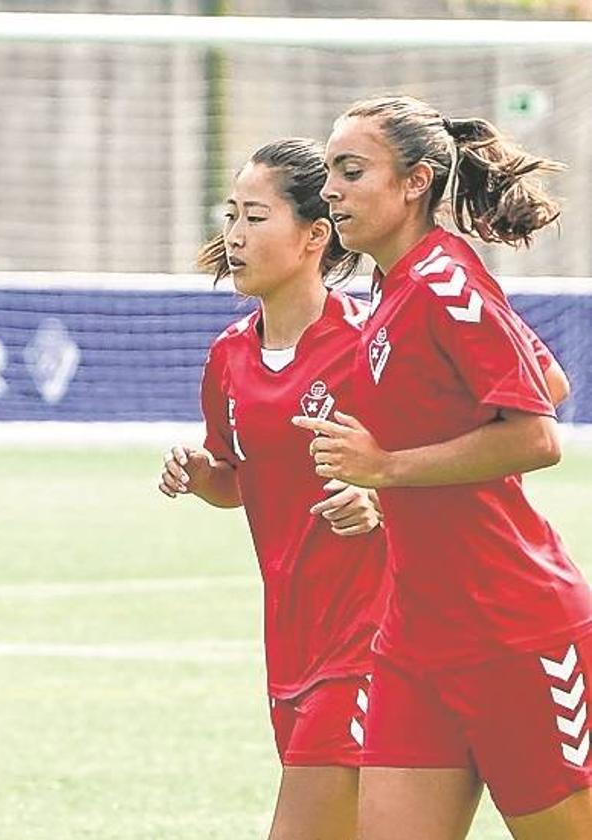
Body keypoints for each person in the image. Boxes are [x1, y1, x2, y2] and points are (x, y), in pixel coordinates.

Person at [296, 94, 592, 840]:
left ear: (416, 181)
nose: (330, 189)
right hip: (413, 636)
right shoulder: (395, 286)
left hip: (512, 630)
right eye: (329, 170)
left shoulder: (444, 282)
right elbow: (543, 374)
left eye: (351, 170)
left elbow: (537, 432)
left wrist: (388, 466)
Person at [159, 138, 387, 840]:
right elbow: (242, 481)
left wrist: (380, 495)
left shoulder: (371, 340)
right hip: (291, 642)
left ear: (315, 235)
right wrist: (205, 478)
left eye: (255, 218)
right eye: (231, 216)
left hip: (372, 639)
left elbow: (444, 461)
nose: (233, 236)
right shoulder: (228, 355)